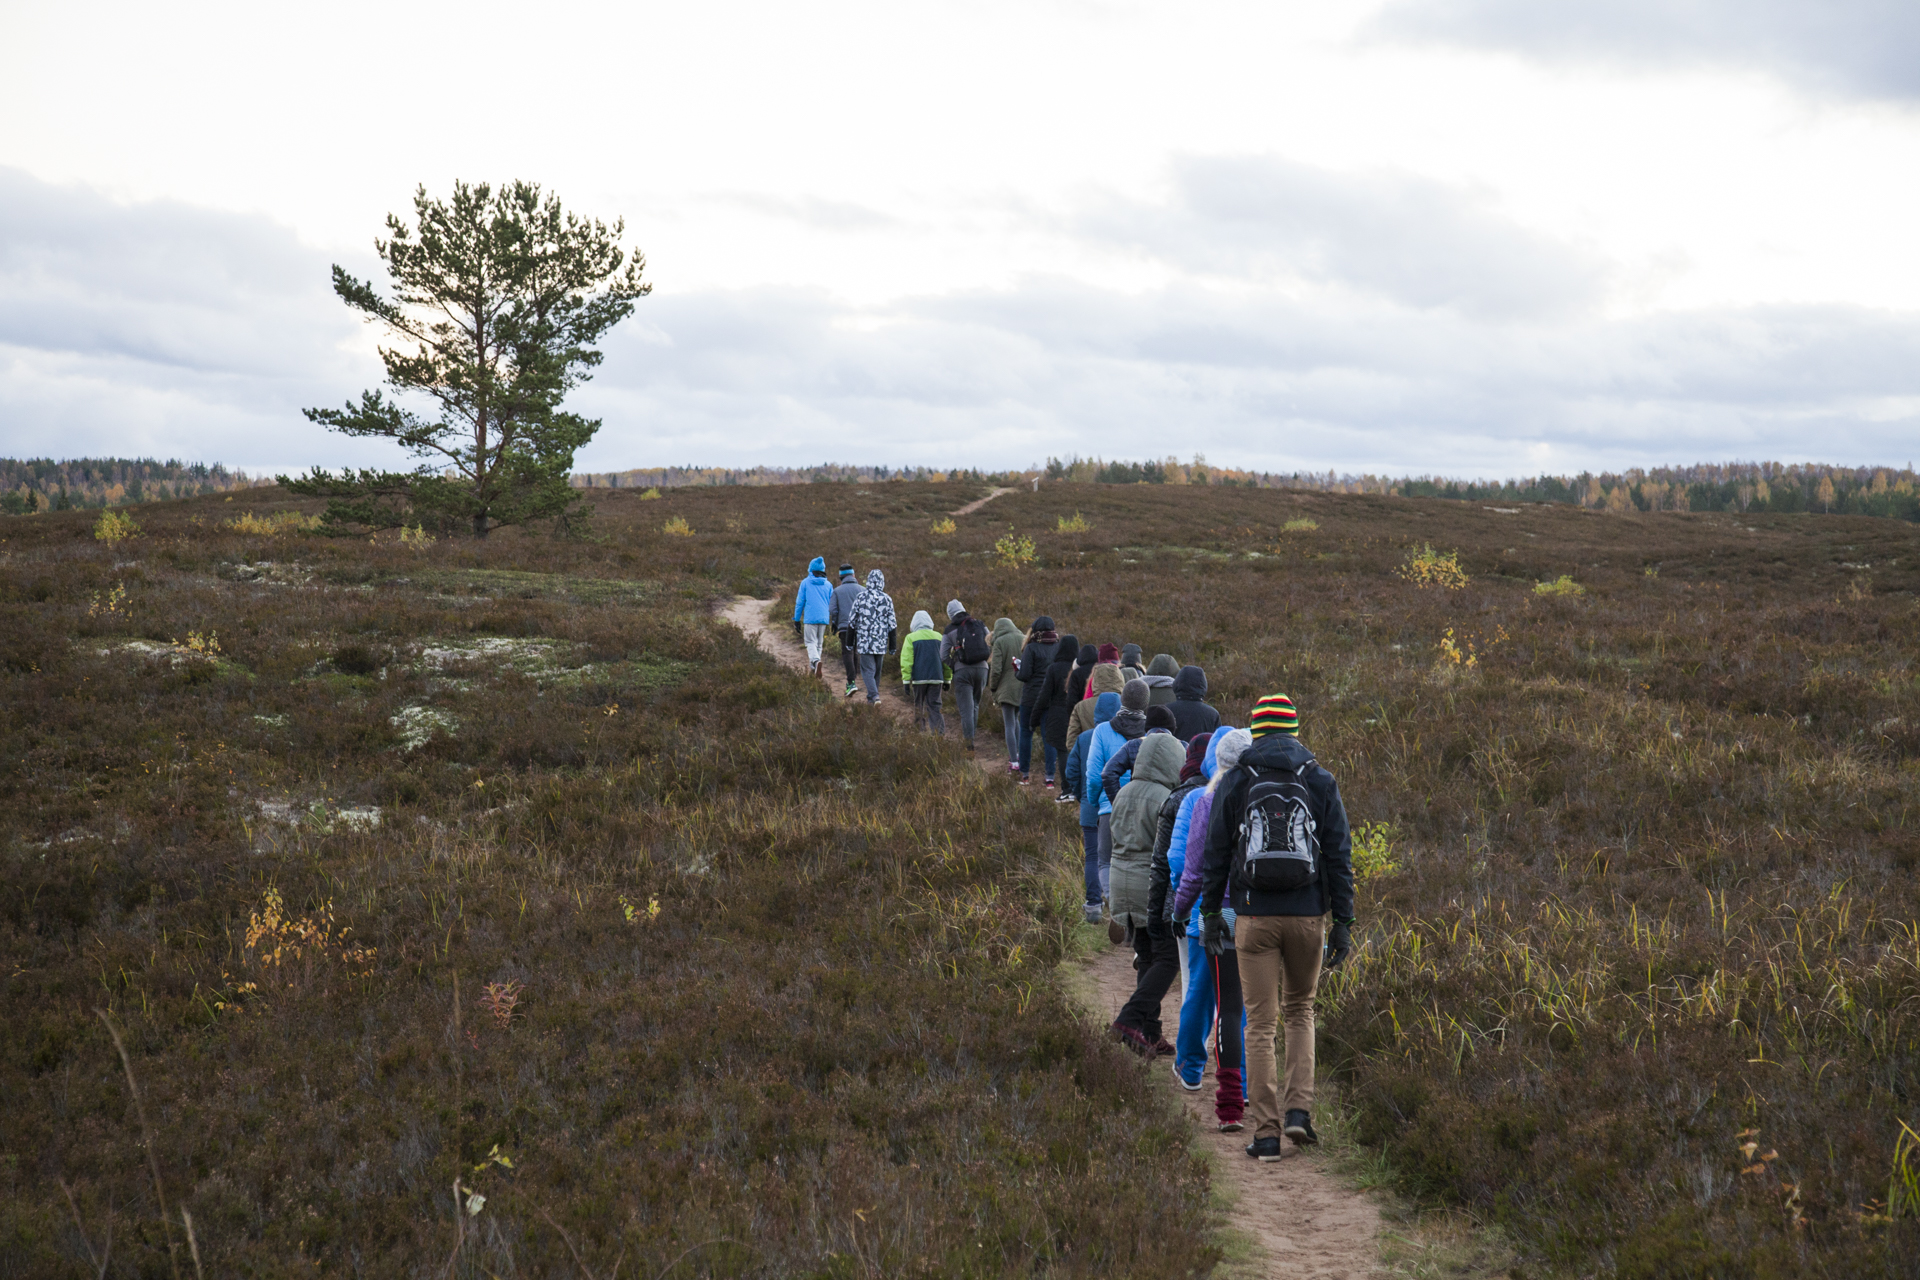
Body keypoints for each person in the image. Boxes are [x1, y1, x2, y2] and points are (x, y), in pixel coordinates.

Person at [1198, 695, 1354, 1163]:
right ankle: (1299, 1114)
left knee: (1260, 1023)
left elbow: (1216, 853)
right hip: (1309, 917)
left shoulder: (1239, 779)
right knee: (1300, 1011)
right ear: (1295, 730)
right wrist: (1343, 922)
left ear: (1257, 732)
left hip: (1253, 916)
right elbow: (1339, 856)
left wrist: (1209, 913)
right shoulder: (1319, 779)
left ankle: (1265, 1136)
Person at [1170, 727, 1246, 1131]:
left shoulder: (1204, 799)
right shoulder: (1263, 796)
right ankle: (1244, 1084)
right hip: (1258, 914)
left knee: (1202, 990)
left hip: (1214, 913)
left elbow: (1192, 868)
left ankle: (1191, 1068)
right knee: (1241, 1005)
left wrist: (1180, 911)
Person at [1107, 730, 1187, 1057]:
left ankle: (1151, 1033)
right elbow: (1166, 852)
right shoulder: (1164, 798)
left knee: (1146, 957)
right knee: (1168, 959)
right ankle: (1128, 1020)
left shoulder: (1124, 791)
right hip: (1147, 885)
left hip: (1120, 883)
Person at [1085, 679, 1149, 935]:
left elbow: (1094, 774)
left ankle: (1116, 909)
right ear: (1146, 703)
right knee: (1139, 861)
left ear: (1122, 701)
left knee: (1105, 862)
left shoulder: (1102, 730)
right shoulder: (1151, 732)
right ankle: (1139, 916)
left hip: (1108, 807)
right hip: (1145, 809)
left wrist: (1095, 801)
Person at [1064, 690, 1120, 924]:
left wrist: (1082, 796)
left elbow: (1071, 773)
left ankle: (1094, 907)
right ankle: (1118, 906)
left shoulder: (1084, 738)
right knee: (1116, 857)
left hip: (1090, 807)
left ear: (1096, 713)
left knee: (1092, 857)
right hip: (1115, 808)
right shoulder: (1123, 737)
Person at [1030, 633, 1081, 803]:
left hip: (1058, 714)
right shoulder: (1079, 669)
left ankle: (1068, 790)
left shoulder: (1054, 668)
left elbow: (1044, 696)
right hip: (1078, 713)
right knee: (1077, 751)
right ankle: (1078, 789)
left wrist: (1034, 718)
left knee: (1063, 752)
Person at [1014, 617, 1061, 786]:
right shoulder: (1059, 647)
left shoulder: (1031, 648)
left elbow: (1024, 674)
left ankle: (1025, 775)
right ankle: (1050, 778)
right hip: (1050, 699)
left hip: (1030, 698)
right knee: (1048, 737)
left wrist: (1016, 671)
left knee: (1026, 734)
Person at [940, 600, 992, 752]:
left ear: (950, 614)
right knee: (975, 705)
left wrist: (954, 665)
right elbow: (990, 641)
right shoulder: (979, 624)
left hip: (963, 671)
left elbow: (943, 654)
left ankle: (969, 743)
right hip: (982, 669)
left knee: (966, 709)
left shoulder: (949, 629)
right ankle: (972, 736)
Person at [847, 569, 897, 706]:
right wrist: (892, 646)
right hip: (880, 643)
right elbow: (892, 625)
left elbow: (852, 622)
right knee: (876, 673)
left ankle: (874, 696)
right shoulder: (887, 599)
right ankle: (872, 701)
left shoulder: (861, 597)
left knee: (868, 670)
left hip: (864, 642)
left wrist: (849, 643)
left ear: (868, 581)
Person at [987, 617, 1025, 775]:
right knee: (1017, 722)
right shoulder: (1023, 638)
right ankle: (1020, 757)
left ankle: (1014, 762)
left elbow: (995, 669)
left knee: (1009, 724)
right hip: (1023, 686)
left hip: (1006, 689)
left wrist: (993, 687)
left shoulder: (1000, 642)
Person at [1064, 660, 1125, 756]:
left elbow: (1071, 741)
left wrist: (1082, 758)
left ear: (1095, 680)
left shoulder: (1081, 707)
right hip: (1121, 763)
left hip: (1089, 761)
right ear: (1119, 678)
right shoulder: (1127, 704)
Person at [900, 610, 948, 733]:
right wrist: (948, 678)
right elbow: (946, 659)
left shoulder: (910, 638)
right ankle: (938, 735)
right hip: (936, 678)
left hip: (918, 679)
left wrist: (906, 680)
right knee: (935, 706)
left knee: (918, 705)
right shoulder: (939, 637)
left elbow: (906, 660)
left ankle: (919, 734)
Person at [791, 557, 834, 678]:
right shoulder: (829, 585)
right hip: (824, 618)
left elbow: (800, 602)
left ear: (811, 569)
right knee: (819, 644)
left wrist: (796, 619)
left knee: (810, 642)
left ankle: (815, 662)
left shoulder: (805, 583)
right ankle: (814, 669)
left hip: (810, 618)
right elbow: (833, 604)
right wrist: (833, 620)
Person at [828, 563, 863, 697]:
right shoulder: (863, 590)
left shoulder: (836, 591)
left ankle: (851, 682)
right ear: (853, 575)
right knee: (855, 651)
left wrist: (834, 624)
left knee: (847, 653)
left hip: (845, 627)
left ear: (840, 577)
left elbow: (832, 610)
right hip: (860, 627)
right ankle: (855, 679)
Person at [1169, 665, 1221, 741]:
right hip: (1202, 752)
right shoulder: (1212, 715)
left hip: (1172, 752)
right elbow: (1215, 744)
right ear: (1203, 685)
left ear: (1177, 683)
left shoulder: (1167, 710)